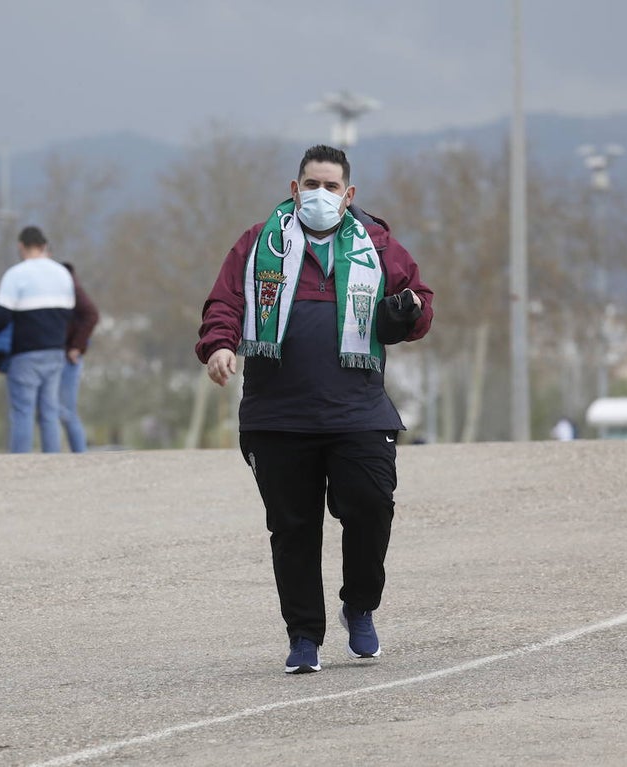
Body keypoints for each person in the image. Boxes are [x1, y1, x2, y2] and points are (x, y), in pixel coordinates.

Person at [196, 144, 434, 675]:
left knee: (371, 506)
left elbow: (417, 303)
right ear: (293, 188)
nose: (320, 194)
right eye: (311, 184)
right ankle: (304, 636)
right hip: (277, 415)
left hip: (358, 411)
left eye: (331, 187)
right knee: (293, 529)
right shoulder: (259, 244)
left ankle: (360, 605)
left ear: (349, 195)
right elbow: (225, 303)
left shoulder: (376, 244)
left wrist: (410, 310)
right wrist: (219, 344)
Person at [0, 226, 74, 453]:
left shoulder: (16, 274)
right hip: (55, 351)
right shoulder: (63, 274)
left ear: (21, 247)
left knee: (23, 411)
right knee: (49, 412)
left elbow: (0, 316)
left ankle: (20, 463)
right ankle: (53, 462)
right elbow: (69, 312)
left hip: (25, 354)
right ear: (44, 246)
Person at [60, 261, 100, 452]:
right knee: (59, 411)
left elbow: (92, 314)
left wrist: (76, 346)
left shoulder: (70, 285)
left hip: (69, 356)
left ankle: (81, 454)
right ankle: (77, 452)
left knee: (67, 411)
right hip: (61, 352)